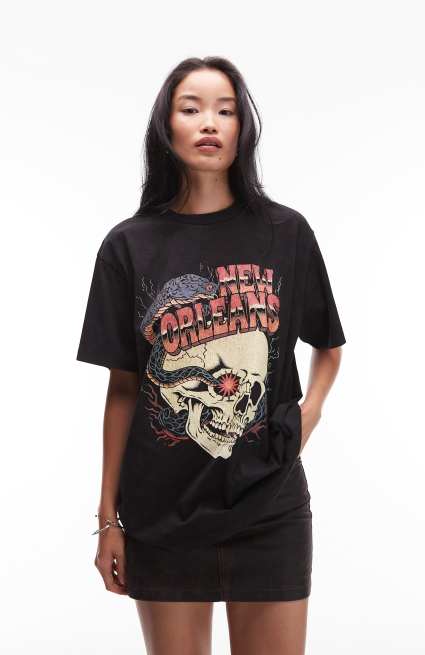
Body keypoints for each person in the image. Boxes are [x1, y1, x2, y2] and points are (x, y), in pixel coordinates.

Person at [76, 56, 346, 655]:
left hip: (270, 505)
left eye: (225, 111)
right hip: (161, 512)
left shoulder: (286, 233)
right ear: (165, 126)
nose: (209, 123)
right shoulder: (128, 246)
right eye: (191, 108)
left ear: (242, 128)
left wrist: (309, 414)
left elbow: (328, 345)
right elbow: (124, 387)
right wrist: (108, 518)